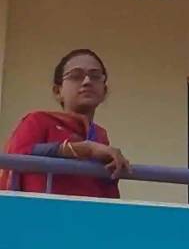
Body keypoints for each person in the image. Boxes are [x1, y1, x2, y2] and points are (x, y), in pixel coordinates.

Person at [0, 49, 129, 197]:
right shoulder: (38, 120)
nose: (87, 81)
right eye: (76, 76)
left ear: (104, 91)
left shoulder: (100, 135)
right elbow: (16, 157)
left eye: (95, 76)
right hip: (41, 210)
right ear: (57, 91)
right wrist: (82, 149)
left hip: (87, 210)